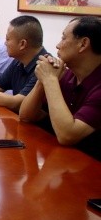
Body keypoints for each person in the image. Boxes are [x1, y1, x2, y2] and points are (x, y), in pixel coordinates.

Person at [19, 16, 101, 159]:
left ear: (83, 44)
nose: (57, 45)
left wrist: (50, 79)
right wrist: (42, 80)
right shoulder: (68, 75)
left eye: (63, 38)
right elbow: (26, 116)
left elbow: (67, 135)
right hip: (61, 157)